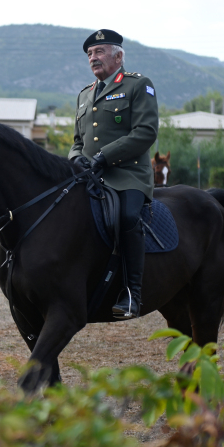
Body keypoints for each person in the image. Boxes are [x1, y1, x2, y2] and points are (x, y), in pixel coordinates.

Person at [68, 29, 159, 319]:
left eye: (99, 52)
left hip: (127, 175)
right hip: (90, 176)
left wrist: (104, 156)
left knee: (127, 217)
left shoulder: (138, 85)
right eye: (90, 55)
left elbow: (145, 133)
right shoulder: (84, 95)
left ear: (118, 56)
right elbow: (77, 143)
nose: (93, 58)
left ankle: (132, 292)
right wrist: (75, 161)